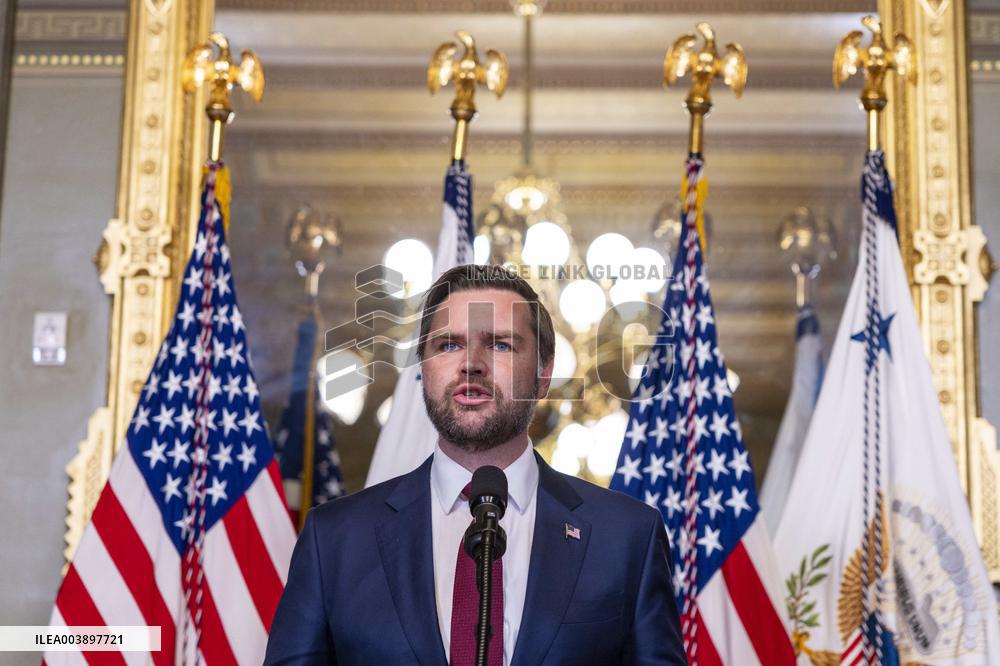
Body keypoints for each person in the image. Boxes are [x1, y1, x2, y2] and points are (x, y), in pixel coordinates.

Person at [264, 264, 686, 665]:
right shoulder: (335, 540)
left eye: (500, 344)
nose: (471, 364)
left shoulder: (628, 537)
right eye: (448, 344)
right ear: (424, 370)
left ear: (543, 376)